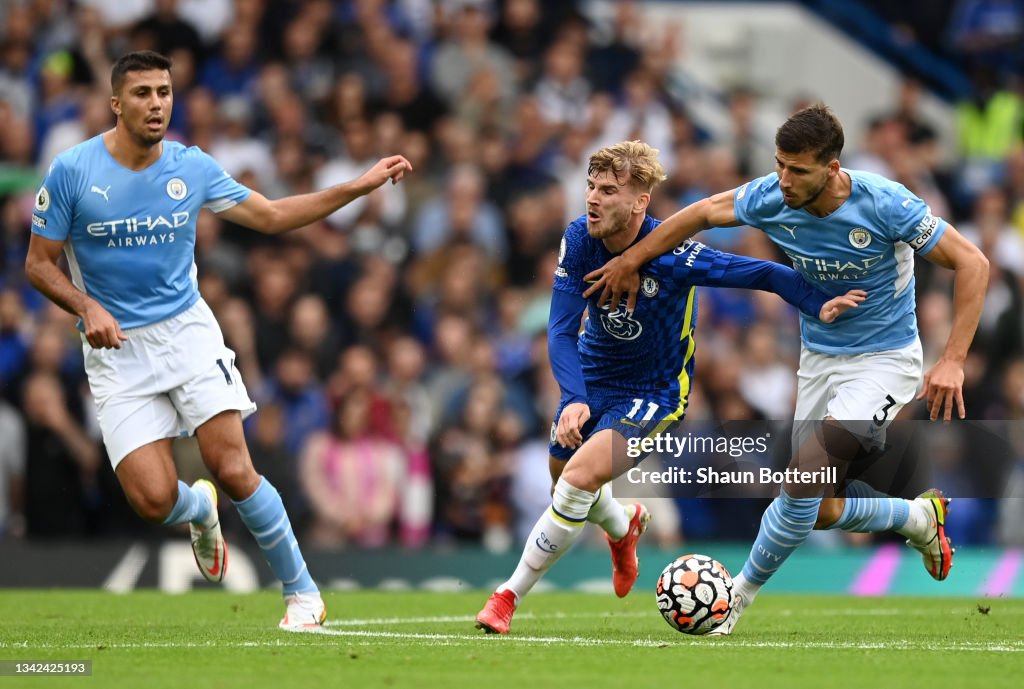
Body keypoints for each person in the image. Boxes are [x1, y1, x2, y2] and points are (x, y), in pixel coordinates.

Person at [24, 51, 412, 630]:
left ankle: (302, 594)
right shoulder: (73, 171)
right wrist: (85, 306)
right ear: (115, 104)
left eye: (164, 92)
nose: (156, 104)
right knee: (153, 500)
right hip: (115, 349)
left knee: (231, 465)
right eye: (142, 94)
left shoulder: (192, 167)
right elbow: (38, 264)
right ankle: (198, 508)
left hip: (186, 333)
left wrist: (357, 187)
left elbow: (276, 216)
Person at [583, 105, 990, 635]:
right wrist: (632, 259)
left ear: (833, 168)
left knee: (804, 476)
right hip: (819, 357)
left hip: (885, 360)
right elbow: (700, 214)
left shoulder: (886, 203)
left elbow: (973, 262)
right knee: (817, 506)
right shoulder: (772, 196)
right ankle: (917, 519)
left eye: (798, 170)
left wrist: (953, 359)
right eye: (779, 165)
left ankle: (734, 600)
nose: (784, 180)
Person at [474, 140, 865, 634]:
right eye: (590, 187)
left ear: (640, 202)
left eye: (609, 191)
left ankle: (507, 597)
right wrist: (574, 397)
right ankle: (623, 525)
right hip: (592, 382)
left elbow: (763, 272)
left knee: (574, 483)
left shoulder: (676, 255)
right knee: (565, 483)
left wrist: (818, 302)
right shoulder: (579, 239)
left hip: (654, 393)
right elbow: (559, 329)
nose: (593, 199)